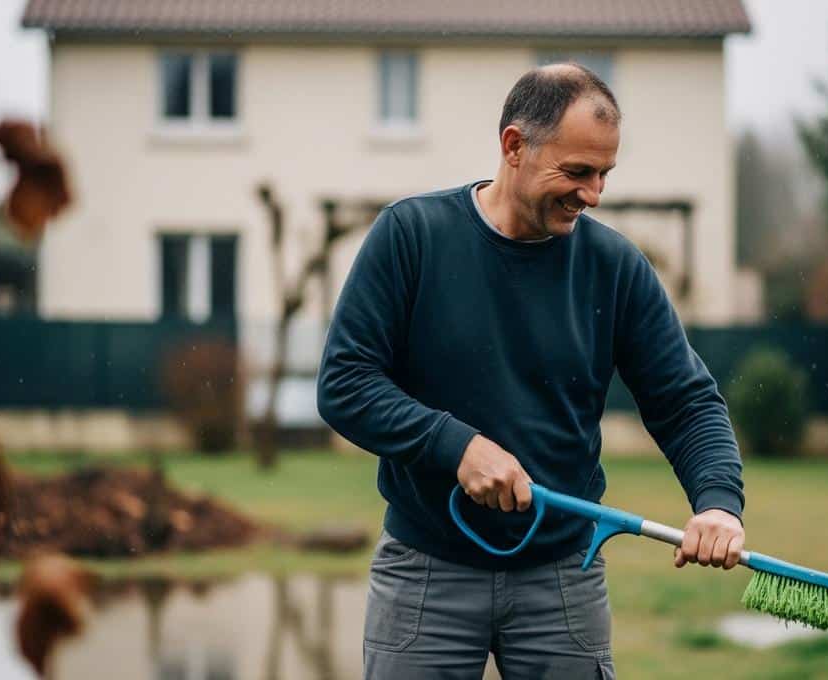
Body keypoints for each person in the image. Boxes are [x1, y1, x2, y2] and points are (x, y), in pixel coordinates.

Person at [317, 63, 746, 679]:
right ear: (514, 146)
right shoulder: (412, 236)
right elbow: (345, 383)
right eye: (576, 172)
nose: (593, 194)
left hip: (563, 579)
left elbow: (686, 402)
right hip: (425, 573)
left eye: (604, 174)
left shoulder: (615, 268)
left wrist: (717, 503)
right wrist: (457, 447)